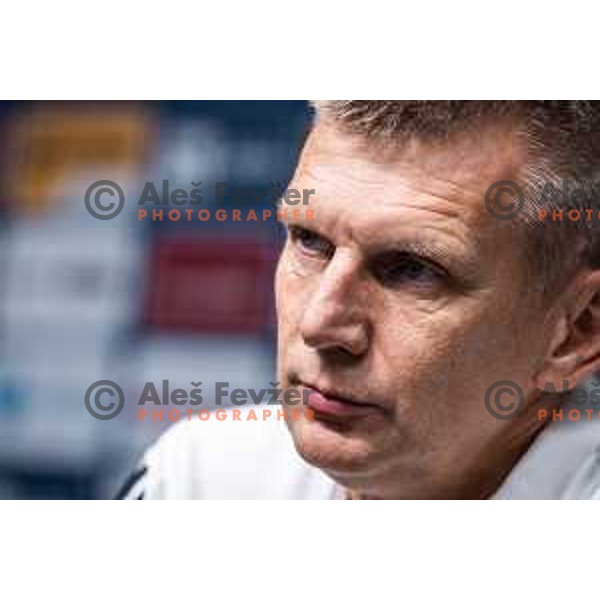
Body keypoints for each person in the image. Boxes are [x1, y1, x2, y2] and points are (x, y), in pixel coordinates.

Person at [118, 101, 600, 499]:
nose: (319, 322)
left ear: (576, 331)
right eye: (309, 240)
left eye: (413, 270)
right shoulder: (203, 478)